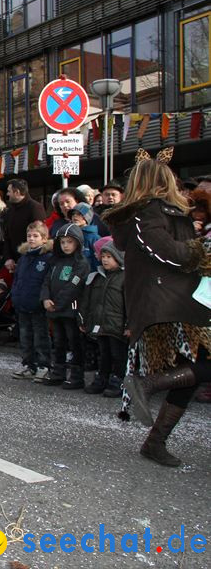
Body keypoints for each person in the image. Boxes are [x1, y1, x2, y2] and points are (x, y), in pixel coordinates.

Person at [103, 149, 211, 467]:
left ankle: (155, 441)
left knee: (191, 372)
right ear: (162, 180)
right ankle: (146, 385)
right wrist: (199, 250)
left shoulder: (157, 210)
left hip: (174, 299)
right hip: (170, 302)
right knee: (202, 365)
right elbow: (165, 252)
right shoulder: (150, 210)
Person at [38, 224, 90, 387]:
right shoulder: (56, 261)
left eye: (69, 242)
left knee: (74, 342)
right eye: (63, 242)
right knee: (58, 341)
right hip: (54, 309)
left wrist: (57, 304)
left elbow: (73, 286)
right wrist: (45, 298)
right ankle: (58, 371)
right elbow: (46, 280)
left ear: (77, 243)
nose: (66, 246)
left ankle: (76, 376)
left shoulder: (81, 263)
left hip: (71, 310)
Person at [78, 239, 127, 397]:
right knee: (103, 353)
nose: (105, 259)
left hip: (117, 325)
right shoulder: (96, 277)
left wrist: (130, 325)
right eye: (103, 256)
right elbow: (87, 301)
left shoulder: (125, 278)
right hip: (100, 323)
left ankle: (118, 379)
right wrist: (83, 319)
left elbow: (131, 304)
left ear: (118, 258)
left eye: (109, 257)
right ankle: (102, 377)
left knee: (117, 354)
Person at [10, 222, 53, 379]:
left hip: (38, 304)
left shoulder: (47, 258)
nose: (32, 239)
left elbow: (47, 282)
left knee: (40, 335)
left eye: (36, 236)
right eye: (29, 236)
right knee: (25, 335)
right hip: (22, 302)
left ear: (44, 238)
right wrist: (15, 295)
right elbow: (17, 279)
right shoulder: (24, 258)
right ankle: (28, 363)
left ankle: (44, 364)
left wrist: (43, 299)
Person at [3, 179, 47, 269]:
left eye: (9, 191)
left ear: (17, 192)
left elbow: (40, 235)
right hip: (12, 262)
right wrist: (8, 258)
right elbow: (7, 237)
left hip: (31, 261)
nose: (7, 194)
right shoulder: (10, 211)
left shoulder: (35, 208)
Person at [69, 203, 100, 271]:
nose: (75, 216)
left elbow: (97, 263)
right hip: (69, 276)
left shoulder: (94, 238)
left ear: (87, 217)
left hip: (87, 277)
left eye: (79, 214)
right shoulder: (68, 235)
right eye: (73, 214)